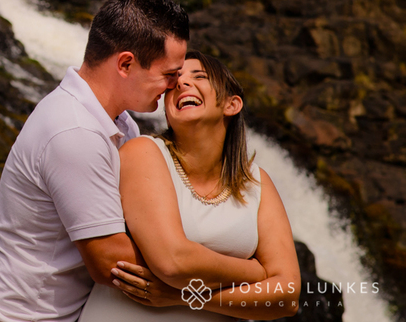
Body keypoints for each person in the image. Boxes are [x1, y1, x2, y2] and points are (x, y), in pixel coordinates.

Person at [0, 0, 189, 322]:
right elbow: (112, 263)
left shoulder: (122, 125)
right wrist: (232, 283)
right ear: (125, 63)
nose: (173, 86)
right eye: (168, 75)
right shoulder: (74, 130)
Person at [79, 51, 301, 320]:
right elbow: (173, 262)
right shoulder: (144, 153)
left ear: (232, 104)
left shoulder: (257, 183)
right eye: (175, 81)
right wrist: (255, 272)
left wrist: (184, 296)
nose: (182, 83)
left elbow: (287, 295)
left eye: (199, 77)